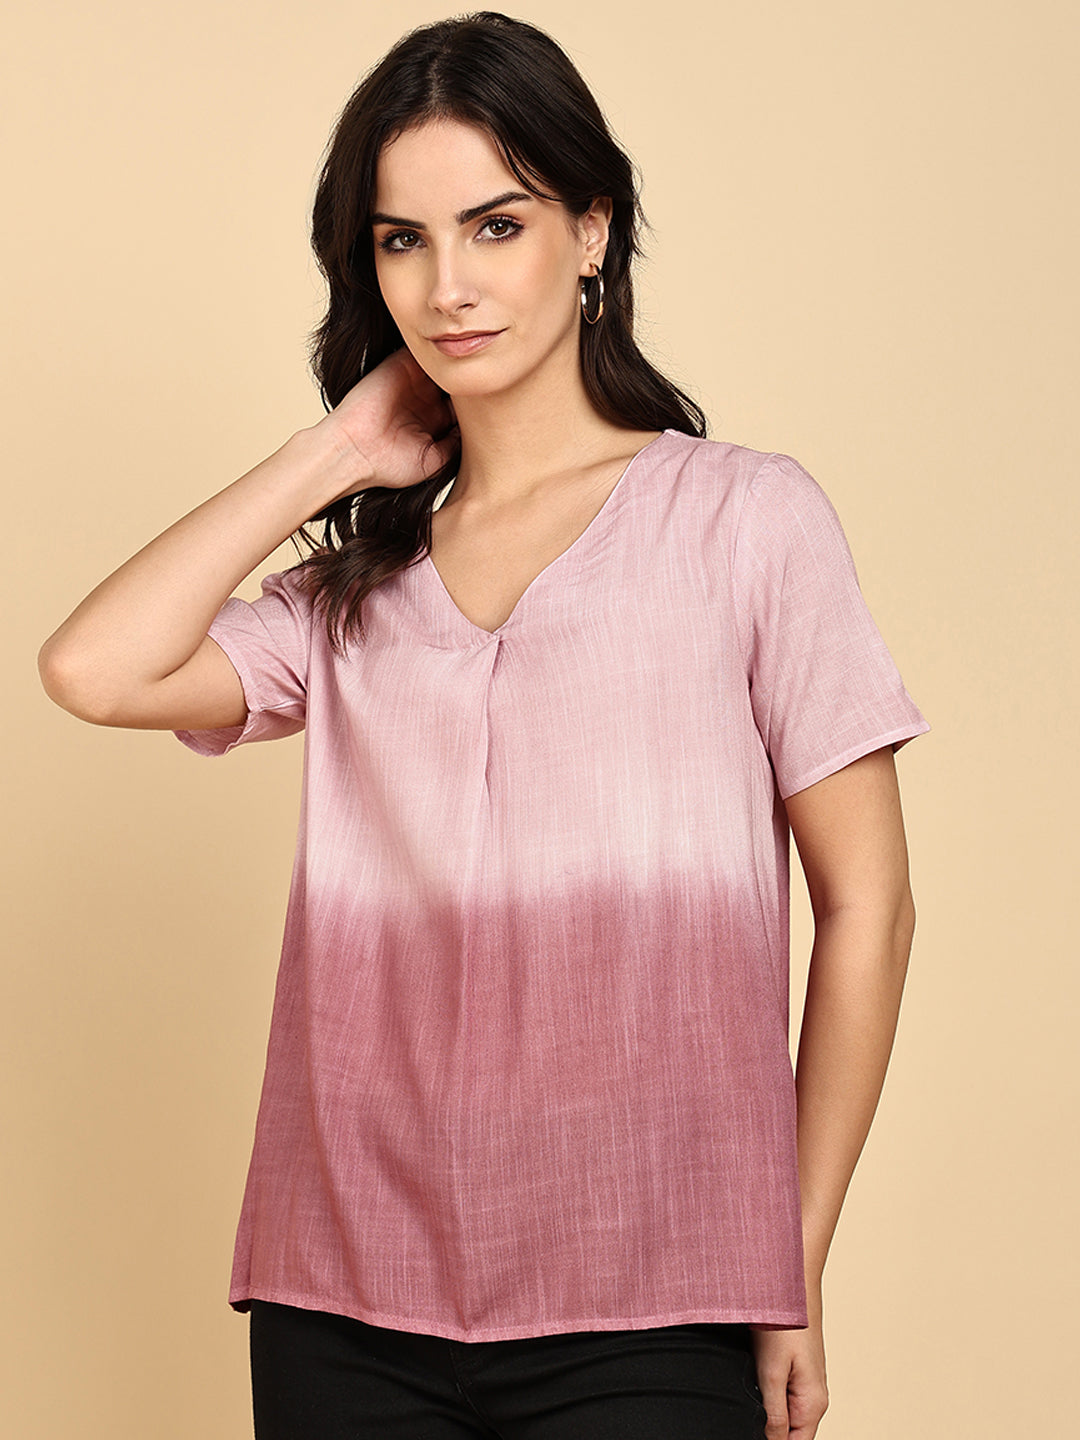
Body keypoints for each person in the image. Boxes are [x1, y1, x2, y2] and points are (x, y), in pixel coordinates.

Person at [37, 12, 931, 1439]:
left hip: (652, 1294)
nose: (448, 286)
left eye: (495, 226)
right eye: (402, 241)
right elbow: (93, 670)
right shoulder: (357, 589)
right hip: (344, 1300)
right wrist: (337, 450)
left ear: (592, 232)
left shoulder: (746, 522)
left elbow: (867, 906)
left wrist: (793, 1263)